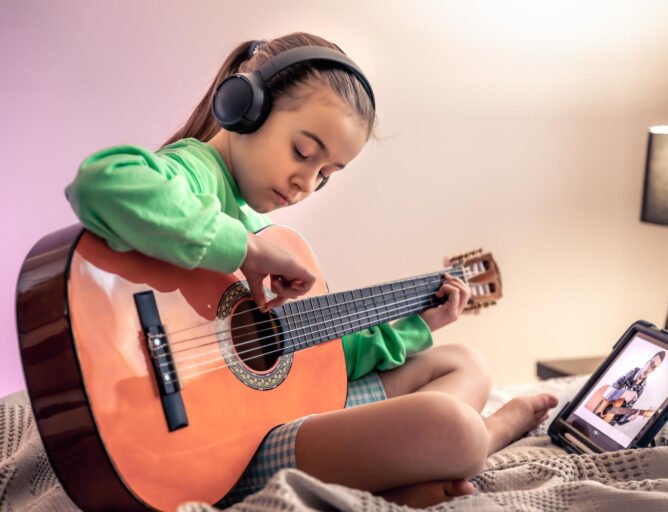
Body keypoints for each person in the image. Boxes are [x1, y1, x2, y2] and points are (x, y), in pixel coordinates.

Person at [65, 32, 558, 508]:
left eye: (326, 174)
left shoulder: (264, 231)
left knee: (465, 363)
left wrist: (417, 325)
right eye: (303, 152)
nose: (306, 182)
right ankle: (487, 438)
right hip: (231, 450)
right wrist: (245, 252)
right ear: (244, 105)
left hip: (278, 418)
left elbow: (323, 363)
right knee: (456, 426)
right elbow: (101, 185)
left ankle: (403, 479)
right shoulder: (195, 175)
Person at [596, 351, 665, 426]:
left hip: (608, 422)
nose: (650, 368)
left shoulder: (640, 389)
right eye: (651, 363)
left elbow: (619, 420)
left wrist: (628, 418)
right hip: (596, 409)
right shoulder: (632, 372)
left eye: (654, 367)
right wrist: (624, 394)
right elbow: (607, 391)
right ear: (647, 362)